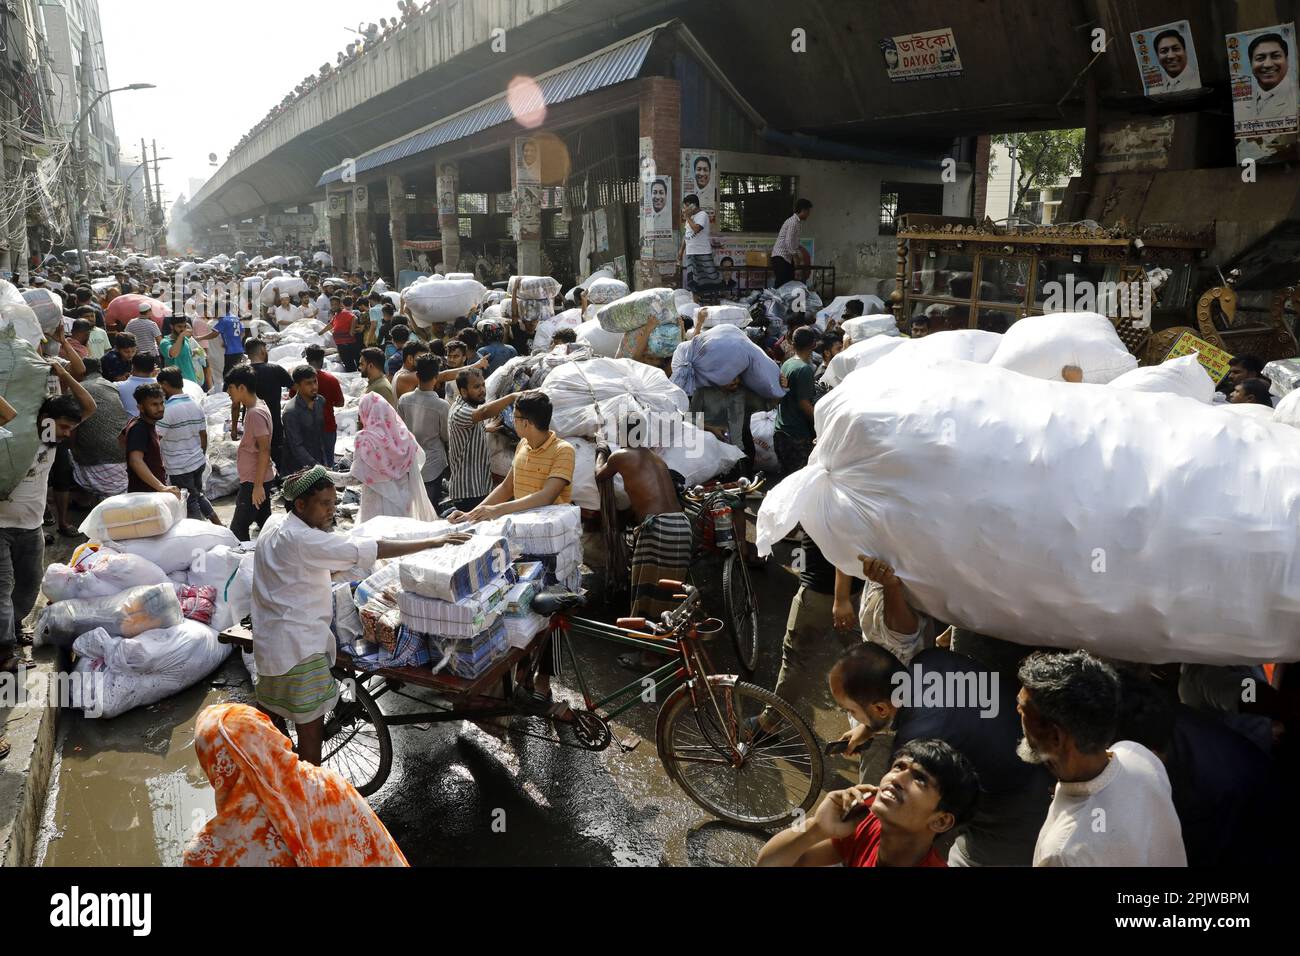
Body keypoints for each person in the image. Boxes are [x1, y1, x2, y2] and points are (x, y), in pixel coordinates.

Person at [247, 466, 469, 765]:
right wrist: (434, 540)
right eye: (325, 504)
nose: (332, 511)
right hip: (299, 651)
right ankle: (308, 800)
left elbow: (305, 569)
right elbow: (374, 548)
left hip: (269, 648)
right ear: (300, 505)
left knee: (274, 729)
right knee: (310, 741)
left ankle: (279, 784)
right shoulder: (306, 541)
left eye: (335, 504)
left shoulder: (276, 524)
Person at [828, 640, 1051, 866]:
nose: (852, 716)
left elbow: (903, 821)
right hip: (1038, 748)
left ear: (881, 708)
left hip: (1016, 804)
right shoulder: (929, 660)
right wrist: (869, 727)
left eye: (851, 711)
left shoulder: (917, 744)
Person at [184, 702, 408, 867]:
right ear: (269, 737)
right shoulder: (331, 786)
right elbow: (383, 856)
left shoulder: (206, 854)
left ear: (214, 765)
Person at [1016, 650, 1187, 866]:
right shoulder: (1138, 756)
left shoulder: (1063, 853)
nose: (1017, 711)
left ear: (1056, 737)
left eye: (1023, 710)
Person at [1113, 668, 1287, 867]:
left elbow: (1250, 694)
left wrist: (1282, 709)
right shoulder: (1210, 672)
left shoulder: (1209, 672)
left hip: (1241, 791)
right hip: (1239, 765)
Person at [0, 366, 94, 681]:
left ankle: (12, 627)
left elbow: (88, 407)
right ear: (45, 417)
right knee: (2, 587)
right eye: (64, 426)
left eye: (70, 428)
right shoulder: (16, 435)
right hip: (0, 525)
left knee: (29, 583)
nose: (68, 433)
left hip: (31, 526)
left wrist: (60, 372)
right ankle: (4, 654)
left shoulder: (52, 439)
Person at [756, 738, 979, 867]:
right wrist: (816, 827)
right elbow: (768, 863)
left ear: (941, 821)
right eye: (898, 767)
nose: (897, 779)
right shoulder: (867, 818)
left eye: (920, 779)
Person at [594, 413, 692, 650]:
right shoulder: (656, 459)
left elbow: (600, 474)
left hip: (658, 528)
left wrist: (601, 449)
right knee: (670, 592)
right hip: (682, 525)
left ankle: (646, 651)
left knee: (646, 592)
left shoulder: (621, 456)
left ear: (623, 433)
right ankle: (671, 647)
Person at [451, 391, 575, 523]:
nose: (512, 421)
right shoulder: (523, 444)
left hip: (550, 531)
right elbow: (507, 487)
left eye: (514, 417)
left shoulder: (563, 450)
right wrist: (471, 514)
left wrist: (497, 510)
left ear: (526, 423)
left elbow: (547, 496)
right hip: (523, 527)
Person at [352, 392, 438, 521]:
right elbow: (414, 473)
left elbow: (355, 477)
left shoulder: (365, 441)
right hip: (403, 504)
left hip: (375, 511)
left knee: (377, 540)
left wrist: (328, 475)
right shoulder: (405, 437)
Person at [444, 368, 517, 515]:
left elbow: (471, 425)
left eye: (483, 385)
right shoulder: (460, 411)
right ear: (463, 391)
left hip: (479, 487)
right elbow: (483, 413)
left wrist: (485, 428)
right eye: (476, 387)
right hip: (468, 491)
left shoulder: (469, 408)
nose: (483, 390)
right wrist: (513, 396)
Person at [155, 367, 219, 522]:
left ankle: (199, 532)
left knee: (189, 501)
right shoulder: (195, 405)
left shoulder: (167, 410)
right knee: (197, 495)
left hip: (180, 466)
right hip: (197, 461)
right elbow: (203, 435)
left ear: (164, 384)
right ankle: (218, 524)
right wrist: (200, 455)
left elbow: (157, 438)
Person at [225, 365, 277, 541]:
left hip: (254, 480)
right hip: (259, 478)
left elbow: (264, 449)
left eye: (230, 388)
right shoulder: (256, 405)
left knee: (238, 529)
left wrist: (257, 486)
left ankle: (245, 563)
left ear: (241, 387)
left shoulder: (254, 412)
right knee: (265, 523)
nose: (228, 392)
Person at [69, 358, 130, 499]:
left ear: (81, 369)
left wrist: (72, 449)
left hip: (98, 456)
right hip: (122, 451)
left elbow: (71, 428)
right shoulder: (112, 386)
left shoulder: (76, 389)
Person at [232, 339, 293, 475]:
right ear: (262, 351)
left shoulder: (241, 373)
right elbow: (295, 387)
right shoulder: (275, 370)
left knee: (255, 455)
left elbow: (235, 404)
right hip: (273, 423)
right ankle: (277, 483)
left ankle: (259, 484)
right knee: (275, 455)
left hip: (251, 423)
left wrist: (234, 429)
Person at [398, 355, 451, 507]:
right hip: (432, 466)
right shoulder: (442, 406)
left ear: (417, 376)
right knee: (429, 508)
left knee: (412, 507)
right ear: (436, 377)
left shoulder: (404, 400)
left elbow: (400, 431)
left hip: (409, 463)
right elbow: (446, 437)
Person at [774, 326, 817, 477]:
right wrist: (821, 423)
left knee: (785, 479)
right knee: (799, 480)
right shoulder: (804, 369)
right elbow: (804, 404)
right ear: (814, 345)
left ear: (792, 344)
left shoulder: (788, 363)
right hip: (797, 435)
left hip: (781, 430)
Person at [124, 382, 180, 498]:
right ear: (141, 407)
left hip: (152, 492)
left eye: (161, 403)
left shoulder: (143, 423)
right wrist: (161, 487)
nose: (160, 408)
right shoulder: (139, 428)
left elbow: (121, 439)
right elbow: (135, 461)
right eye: (154, 405)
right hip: (145, 495)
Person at [303, 345, 345, 467]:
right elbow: (340, 403)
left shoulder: (300, 380)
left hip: (306, 427)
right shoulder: (331, 379)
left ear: (307, 360)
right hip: (327, 426)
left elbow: (293, 398)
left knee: (310, 464)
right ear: (322, 359)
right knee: (329, 463)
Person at [282, 365, 328, 471]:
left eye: (315, 381)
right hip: (299, 470)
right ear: (297, 386)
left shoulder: (320, 401)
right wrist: (317, 466)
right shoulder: (291, 412)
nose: (314, 387)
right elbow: (297, 447)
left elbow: (320, 437)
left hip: (319, 463)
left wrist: (323, 462)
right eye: (308, 383)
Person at [1247, 32, 1293, 122]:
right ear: (1250, 64)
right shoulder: (1242, 101)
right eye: (1260, 58)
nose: (1268, 64)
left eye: (1276, 56)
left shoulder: (1295, 97)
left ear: (1287, 60)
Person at [679, 193, 718, 289]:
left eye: (686, 207)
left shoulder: (702, 215)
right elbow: (687, 235)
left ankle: (714, 299)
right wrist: (681, 250)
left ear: (693, 206)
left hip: (702, 252)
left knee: (710, 278)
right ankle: (695, 302)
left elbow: (696, 229)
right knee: (692, 281)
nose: (684, 210)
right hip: (690, 253)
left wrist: (687, 217)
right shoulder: (690, 218)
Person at [770, 199, 812, 288]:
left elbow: (794, 244)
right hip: (780, 257)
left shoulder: (798, 223)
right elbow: (788, 243)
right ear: (803, 210)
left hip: (787, 258)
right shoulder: (793, 222)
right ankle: (774, 300)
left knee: (788, 284)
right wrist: (796, 257)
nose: (809, 214)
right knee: (781, 284)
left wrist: (800, 258)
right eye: (808, 211)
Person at [160, 316, 203, 386]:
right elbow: (173, 354)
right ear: (171, 326)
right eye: (179, 327)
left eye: (184, 326)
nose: (183, 329)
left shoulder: (185, 339)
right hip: (176, 384)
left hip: (192, 381)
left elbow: (187, 357)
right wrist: (181, 336)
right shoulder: (165, 342)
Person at [115, 352, 158, 417]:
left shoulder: (117, 386)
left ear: (133, 366)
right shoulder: (162, 385)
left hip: (130, 425)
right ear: (153, 368)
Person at [1153, 27, 1196, 92]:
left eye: (1176, 49)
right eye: (1164, 51)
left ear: (1185, 52)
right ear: (1157, 57)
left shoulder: (1197, 78)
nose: (1171, 56)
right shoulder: (1156, 87)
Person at [330, 296, 360, 372]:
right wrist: (320, 333)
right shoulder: (336, 315)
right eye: (332, 305)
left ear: (340, 304)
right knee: (348, 364)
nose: (333, 306)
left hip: (348, 344)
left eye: (335, 304)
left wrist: (351, 330)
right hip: (341, 344)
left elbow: (354, 318)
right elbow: (330, 325)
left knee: (351, 364)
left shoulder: (344, 312)